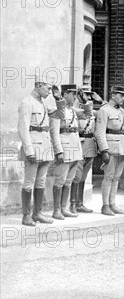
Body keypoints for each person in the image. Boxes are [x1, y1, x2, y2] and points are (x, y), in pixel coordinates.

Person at [17, 78, 62, 226]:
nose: (49, 92)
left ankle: (38, 213)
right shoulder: (27, 102)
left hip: (45, 147)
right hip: (33, 147)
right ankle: (26, 216)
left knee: (41, 181)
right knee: (29, 182)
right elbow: (23, 128)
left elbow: (59, 116)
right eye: (47, 88)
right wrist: (28, 150)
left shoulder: (43, 103)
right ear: (38, 86)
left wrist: (59, 99)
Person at [48, 84, 93, 219]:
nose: (74, 97)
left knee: (69, 180)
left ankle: (64, 208)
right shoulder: (57, 110)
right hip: (65, 147)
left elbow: (88, 114)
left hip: (75, 147)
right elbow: (54, 132)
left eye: (75, 94)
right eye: (73, 94)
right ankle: (56, 210)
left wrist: (84, 101)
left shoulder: (73, 110)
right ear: (65, 94)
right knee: (60, 180)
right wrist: (58, 151)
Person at [94, 86, 124, 215]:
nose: (123, 98)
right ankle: (105, 205)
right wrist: (104, 150)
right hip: (111, 147)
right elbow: (99, 132)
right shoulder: (104, 110)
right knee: (108, 177)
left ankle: (112, 203)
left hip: (123, 146)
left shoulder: (121, 111)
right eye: (120, 95)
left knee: (117, 177)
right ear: (113, 95)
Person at [69, 85, 103, 214]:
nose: (88, 98)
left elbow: (105, 111)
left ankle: (79, 203)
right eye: (85, 95)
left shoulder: (93, 113)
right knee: (76, 175)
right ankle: (72, 204)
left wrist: (100, 101)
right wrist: (85, 103)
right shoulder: (75, 111)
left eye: (90, 96)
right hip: (80, 142)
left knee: (83, 175)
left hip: (90, 144)